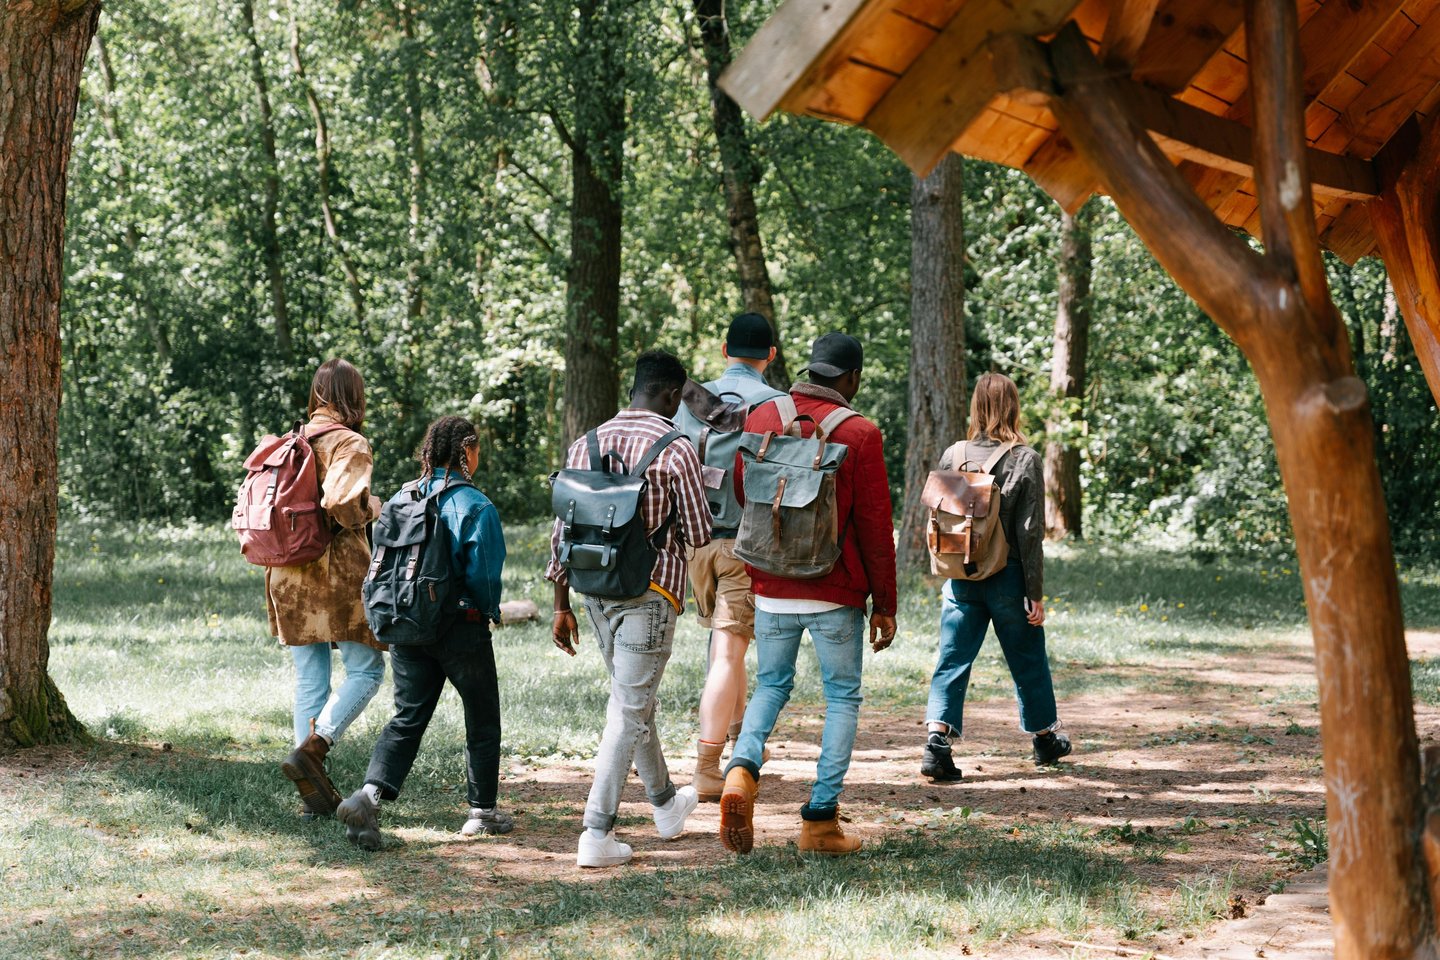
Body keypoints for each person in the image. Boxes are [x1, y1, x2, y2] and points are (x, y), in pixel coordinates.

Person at [718, 332, 898, 856]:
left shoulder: (762, 418)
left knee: (772, 684)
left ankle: (741, 770)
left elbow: (741, 490)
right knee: (841, 696)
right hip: (833, 588)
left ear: (809, 370)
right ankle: (820, 821)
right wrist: (884, 604)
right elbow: (873, 523)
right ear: (851, 379)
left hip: (771, 583)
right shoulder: (860, 433)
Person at [547, 349, 713, 868]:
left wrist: (559, 605)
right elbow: (700, 532)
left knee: (633, 703)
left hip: (594, 592)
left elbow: (563, 533)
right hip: (651, 592)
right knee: (628, 708)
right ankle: (596, 831)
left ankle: (665, 804)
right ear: (670, 395)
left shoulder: (585, 443)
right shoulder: (677, 448)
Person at [337, 415, 511, 850]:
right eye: (476, 449)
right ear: (466, 450)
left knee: (408, 716)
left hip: (406, 625)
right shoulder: (474, 504)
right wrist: (486, 610)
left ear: (429, 452)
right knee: (481, 713)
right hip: (459, 628)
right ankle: (482, 812)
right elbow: (485, 575)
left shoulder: (401, 496)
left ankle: (368, 796)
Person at [920, 372, 1071, 783]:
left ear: (976, 407)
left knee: (952, 659)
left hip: (961, 576)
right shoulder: (1025, 458)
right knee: (1027, 658)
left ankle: (936, 742)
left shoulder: (954, 454)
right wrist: (1034, 592)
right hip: (1008, 576)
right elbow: (1029, 533)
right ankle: (1044, 738)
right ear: (1013, 407)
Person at [270, 358, 386, 819]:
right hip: (333, 572)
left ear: (318, 394)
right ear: (353, 397)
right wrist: (372, 508)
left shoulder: (288, 441)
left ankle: (310, 794)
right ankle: (315, 748)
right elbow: (340, 502)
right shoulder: (349, 442)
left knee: (310, 678)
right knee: (367, 669)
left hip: (286, 572)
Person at [675, 313, 785, 801]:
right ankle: (705, 765)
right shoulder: (779, 404)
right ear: (772, 356)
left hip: (695, 542)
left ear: (725, 349)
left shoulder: (691, 402)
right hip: (747, 543)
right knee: (728, 653)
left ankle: (742, 749)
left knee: (729, 652)